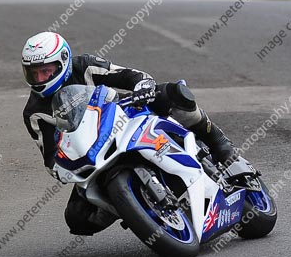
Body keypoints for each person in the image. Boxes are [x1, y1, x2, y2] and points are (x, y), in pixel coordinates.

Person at [21, 31, 236, 235]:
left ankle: (218, 142)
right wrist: (60, 166)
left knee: (172, 94)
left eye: (46, 70)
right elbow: (50, 157)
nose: (40, 78)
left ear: (63, 62)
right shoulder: (34, 113)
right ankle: (129, 205)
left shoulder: (84, 67)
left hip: (125, 116)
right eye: (34, 73)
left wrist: (142, 85)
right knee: (77, 218)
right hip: (91, 152)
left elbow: (128, 75)